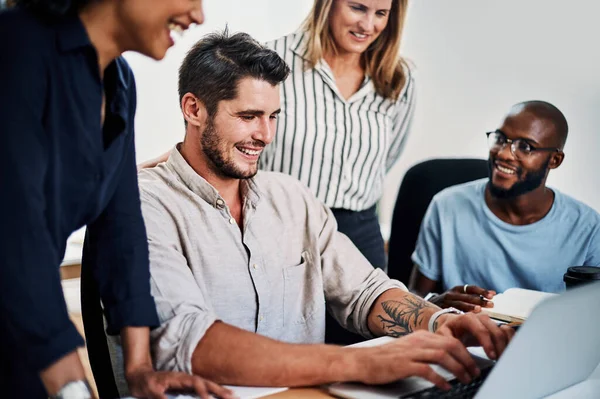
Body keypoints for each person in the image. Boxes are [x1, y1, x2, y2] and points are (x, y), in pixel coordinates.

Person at [132, 30, 513, 392]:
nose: (265, 135)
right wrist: (361, 364)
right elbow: (188, 340)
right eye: (248, 116)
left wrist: (438, 322)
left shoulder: (291, 197)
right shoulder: (146, 205)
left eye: (274, 116)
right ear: (193, 109)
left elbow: (364, 291)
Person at [0, 1, 232, 398]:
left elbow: (120, 229)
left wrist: (140, 368)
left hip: (22, 327)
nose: (198, 15)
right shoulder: (16, 46)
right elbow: (14, 228)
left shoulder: (119, 80)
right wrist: (68, 378)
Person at [409, 101, 600, 312]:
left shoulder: (588, 228)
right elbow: (416, 297)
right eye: (500, 139)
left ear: (554, 160)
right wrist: (436, 303)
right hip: (462, 338)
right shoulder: (446, 206)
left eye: (525, 147)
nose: (504, 154)